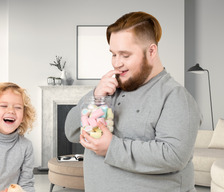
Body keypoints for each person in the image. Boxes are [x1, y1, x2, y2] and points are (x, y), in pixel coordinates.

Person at [65, 11, 202, 192]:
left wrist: (111, 147)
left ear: (151, 51)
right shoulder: (109, 88)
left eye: (125, 55)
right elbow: (72, 132)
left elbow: (174, 156)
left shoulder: (176, 97)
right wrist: (96, 95)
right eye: (113, 54)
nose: (116, 63)